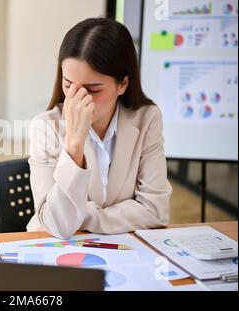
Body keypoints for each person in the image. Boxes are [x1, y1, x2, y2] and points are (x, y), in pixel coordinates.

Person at [26, 18, 172, 239]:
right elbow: (57, 226)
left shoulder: (147, 119)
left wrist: (82, 217)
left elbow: (155, 210)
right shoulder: (45, 127)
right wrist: (74, 145)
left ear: (123, 84)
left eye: (93, 89)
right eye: (68, 85)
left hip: (125, 249)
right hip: (55, 249)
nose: (77, 99)